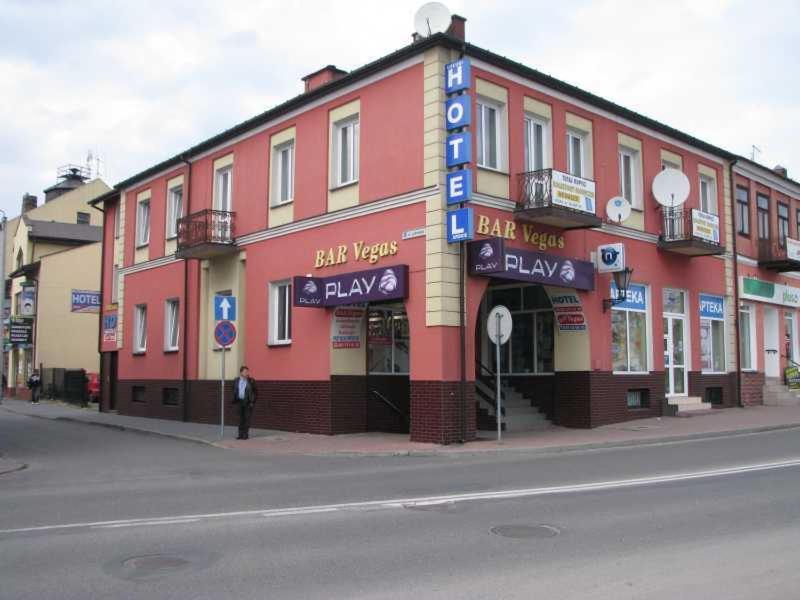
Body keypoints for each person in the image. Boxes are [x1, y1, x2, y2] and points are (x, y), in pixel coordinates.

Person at [232, 365, 257, 440]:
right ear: (241, 372)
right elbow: (234, 389)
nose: (246, 373)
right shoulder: (236, 380)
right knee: (240, 419)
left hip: (247, 402)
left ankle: (245, 435)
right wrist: (234, 398)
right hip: (239, 401)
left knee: (247, 418)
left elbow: (255, 392)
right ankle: (240, 434)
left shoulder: (251, 381)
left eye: (247, 372)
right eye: (245, 372)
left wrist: (252, 401)